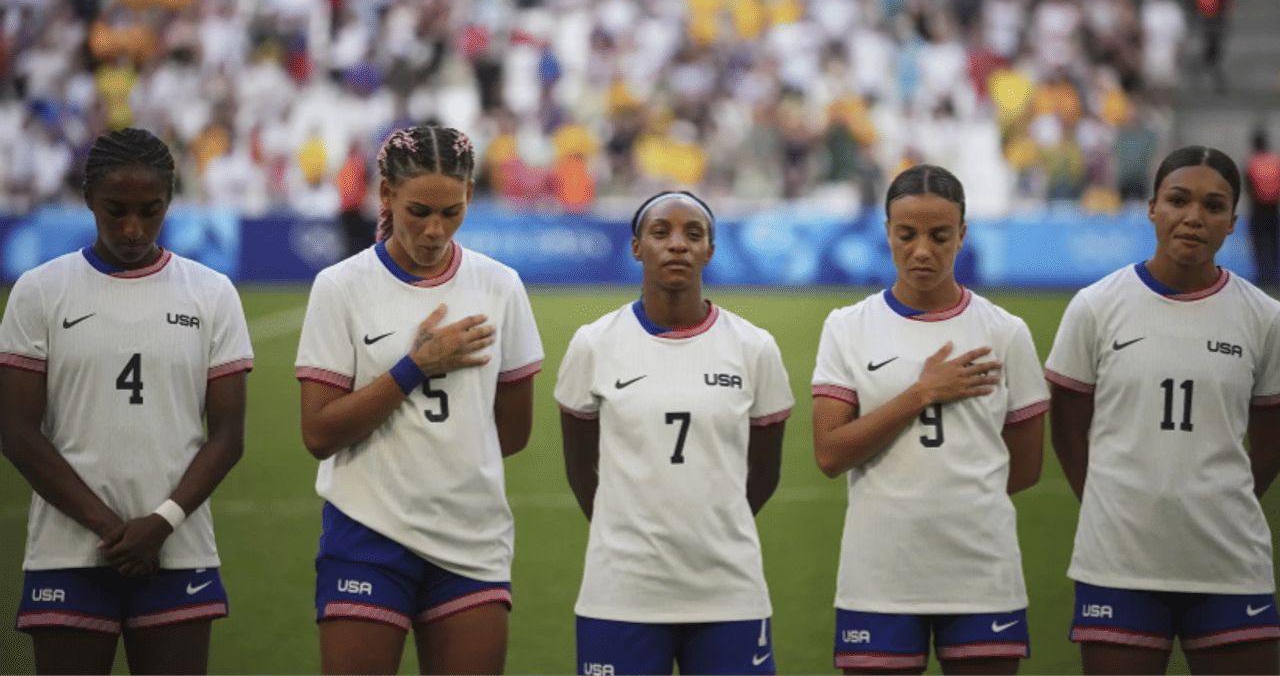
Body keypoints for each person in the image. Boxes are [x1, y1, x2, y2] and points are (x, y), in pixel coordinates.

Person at [0, 127, 253, 674]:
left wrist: (159, 523)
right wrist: (112, 530)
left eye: (151, 209)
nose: (133, 228)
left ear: (170, 201)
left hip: (177, 549)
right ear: (89, 198)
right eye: (116, 210)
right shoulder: (40, 291)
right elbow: (17, 433)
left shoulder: (211, 294)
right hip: (68, 551)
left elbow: (229, 438)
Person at [295, 124, 543, 675]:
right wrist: (414, 368)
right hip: (366, 533)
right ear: (385, 196)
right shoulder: (340, 287)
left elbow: (514, 431)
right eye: (418, 212)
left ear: (470, 197)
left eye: (451, 213)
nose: (434, 230)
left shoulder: (500, 286)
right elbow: (318, 434)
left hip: (471, 537)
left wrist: (447, 465)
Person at [1046, 145, 1280, 676]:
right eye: (1178, 200)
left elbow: (1270, 439)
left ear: (1232, 223)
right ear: (1152, 207)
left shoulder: (1265, 319)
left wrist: (1223, 501)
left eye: (1213, 206)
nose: (1193, 217)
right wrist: (1113, 507)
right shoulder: (1096, 307)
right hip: (1118, 563)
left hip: (1229, 563)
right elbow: (1067, 432)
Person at [811, 164, 1048, 675]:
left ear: (962, 234)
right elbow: (829, 454)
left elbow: (1026, 468)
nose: (922, 250)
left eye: (940, 236)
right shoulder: (847, 328)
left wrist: (956, 503)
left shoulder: (1005, 332)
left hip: (982, 572)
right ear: (887, 233)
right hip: (879, 574)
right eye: (907, 235)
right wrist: (920, 393)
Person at [555, 190, 794, 676]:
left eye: (693, 234)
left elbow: (765, 471)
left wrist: (712, 529)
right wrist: (622, 532)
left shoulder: (754, 348)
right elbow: (580, 465)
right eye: (661, 233)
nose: (678, 245)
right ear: (637, 247)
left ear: (710, 249)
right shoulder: (594, 344)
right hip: (620, 594)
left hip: (729, 592)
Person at [1247, 129, 1280, 288]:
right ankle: (1275, 276)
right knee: (1274, 243)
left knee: (1259, 244)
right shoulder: (1275, 161)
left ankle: (1262, 278)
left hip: (1257, 208)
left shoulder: (1252, 162)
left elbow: (1248, 187)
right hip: (1274, 208)